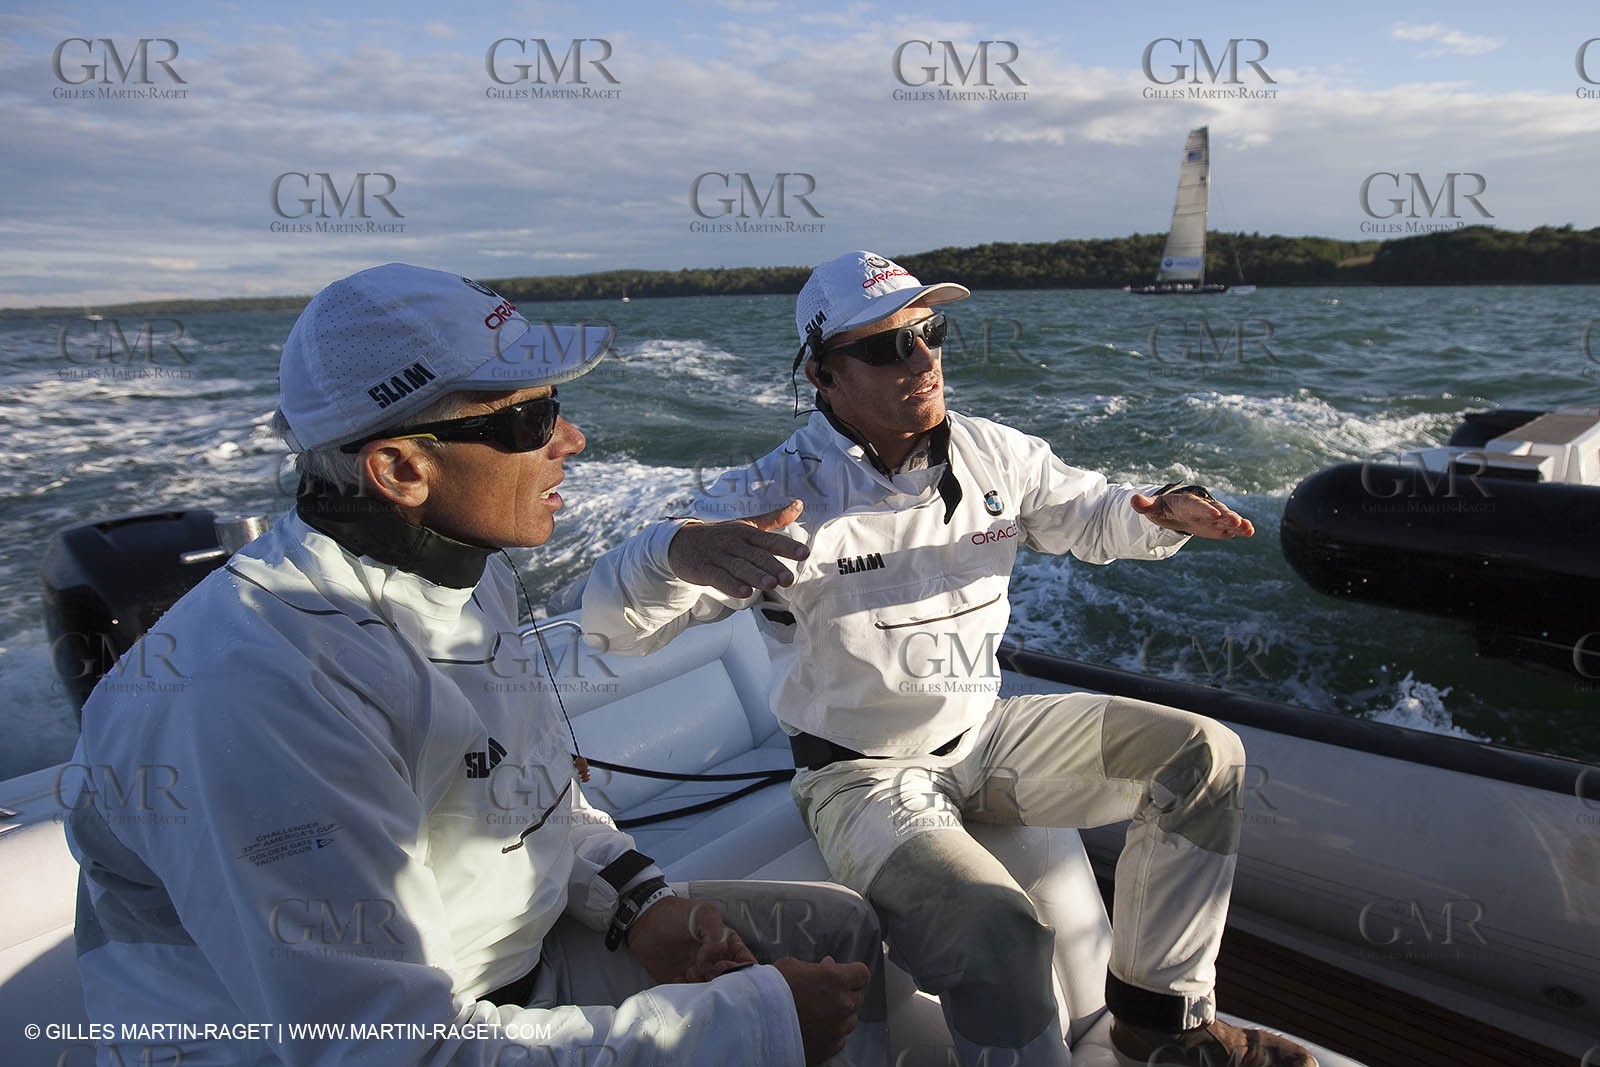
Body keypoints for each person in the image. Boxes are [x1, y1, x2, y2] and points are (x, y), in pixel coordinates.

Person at [65, 263, 883, 1067]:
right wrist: (751, 1029)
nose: (572, 439)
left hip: (506, 971)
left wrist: (642, 906)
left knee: (839, 937)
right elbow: (393, 1050)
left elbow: (532, 793)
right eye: (532, 420)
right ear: (400, 470)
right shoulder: (261, 694)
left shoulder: (467, 571)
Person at [580, 251, 1318, 1067]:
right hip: (860, 776)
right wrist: (674, 551)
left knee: (1204, 756)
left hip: (984, 736)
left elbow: (1095, 513)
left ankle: (1157, 1018)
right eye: (890, 347)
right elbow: (615, 627)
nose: (924, 359)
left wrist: (1163, 514)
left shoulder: (995, 452)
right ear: (825, 375)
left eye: (930, 332)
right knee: (999, 931)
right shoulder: (773, 495)